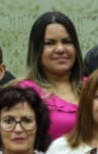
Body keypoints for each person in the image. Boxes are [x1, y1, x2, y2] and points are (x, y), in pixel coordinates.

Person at [17, 11, 86, 144]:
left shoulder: (93, 88)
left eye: (67, 42)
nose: (60, 49)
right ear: (37, 50)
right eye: (50, 43)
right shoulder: (24, 93)